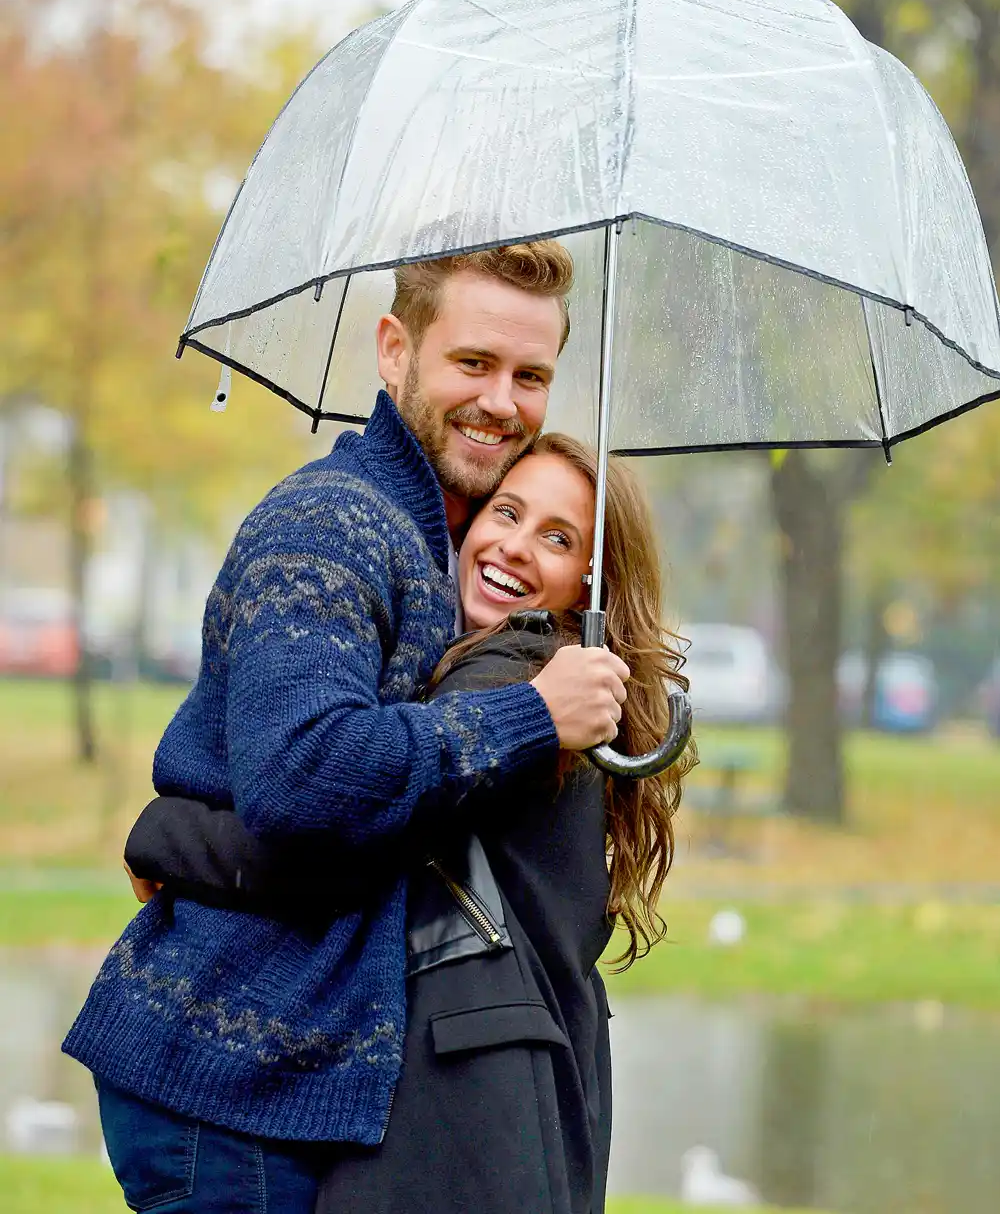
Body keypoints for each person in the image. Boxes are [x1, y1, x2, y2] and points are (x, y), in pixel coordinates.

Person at [63, 241, 632, 1212]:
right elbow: (303, 776)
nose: (502, 400)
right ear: (392, 349)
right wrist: (534, 714)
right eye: (472, 362)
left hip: (290, 1084)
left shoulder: (437, 542)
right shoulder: (336, 526)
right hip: (229, 1078)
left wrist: (182, 838)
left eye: (529, 374)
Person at [123, 434, 695, 1214]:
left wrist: (165, 834)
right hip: (500, 1120)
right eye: (507, 512)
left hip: (459, 1122)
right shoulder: (548, 690)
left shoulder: (516, 683)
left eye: (558, 539)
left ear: (590, 583)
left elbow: (328, 833)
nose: (515, 547)